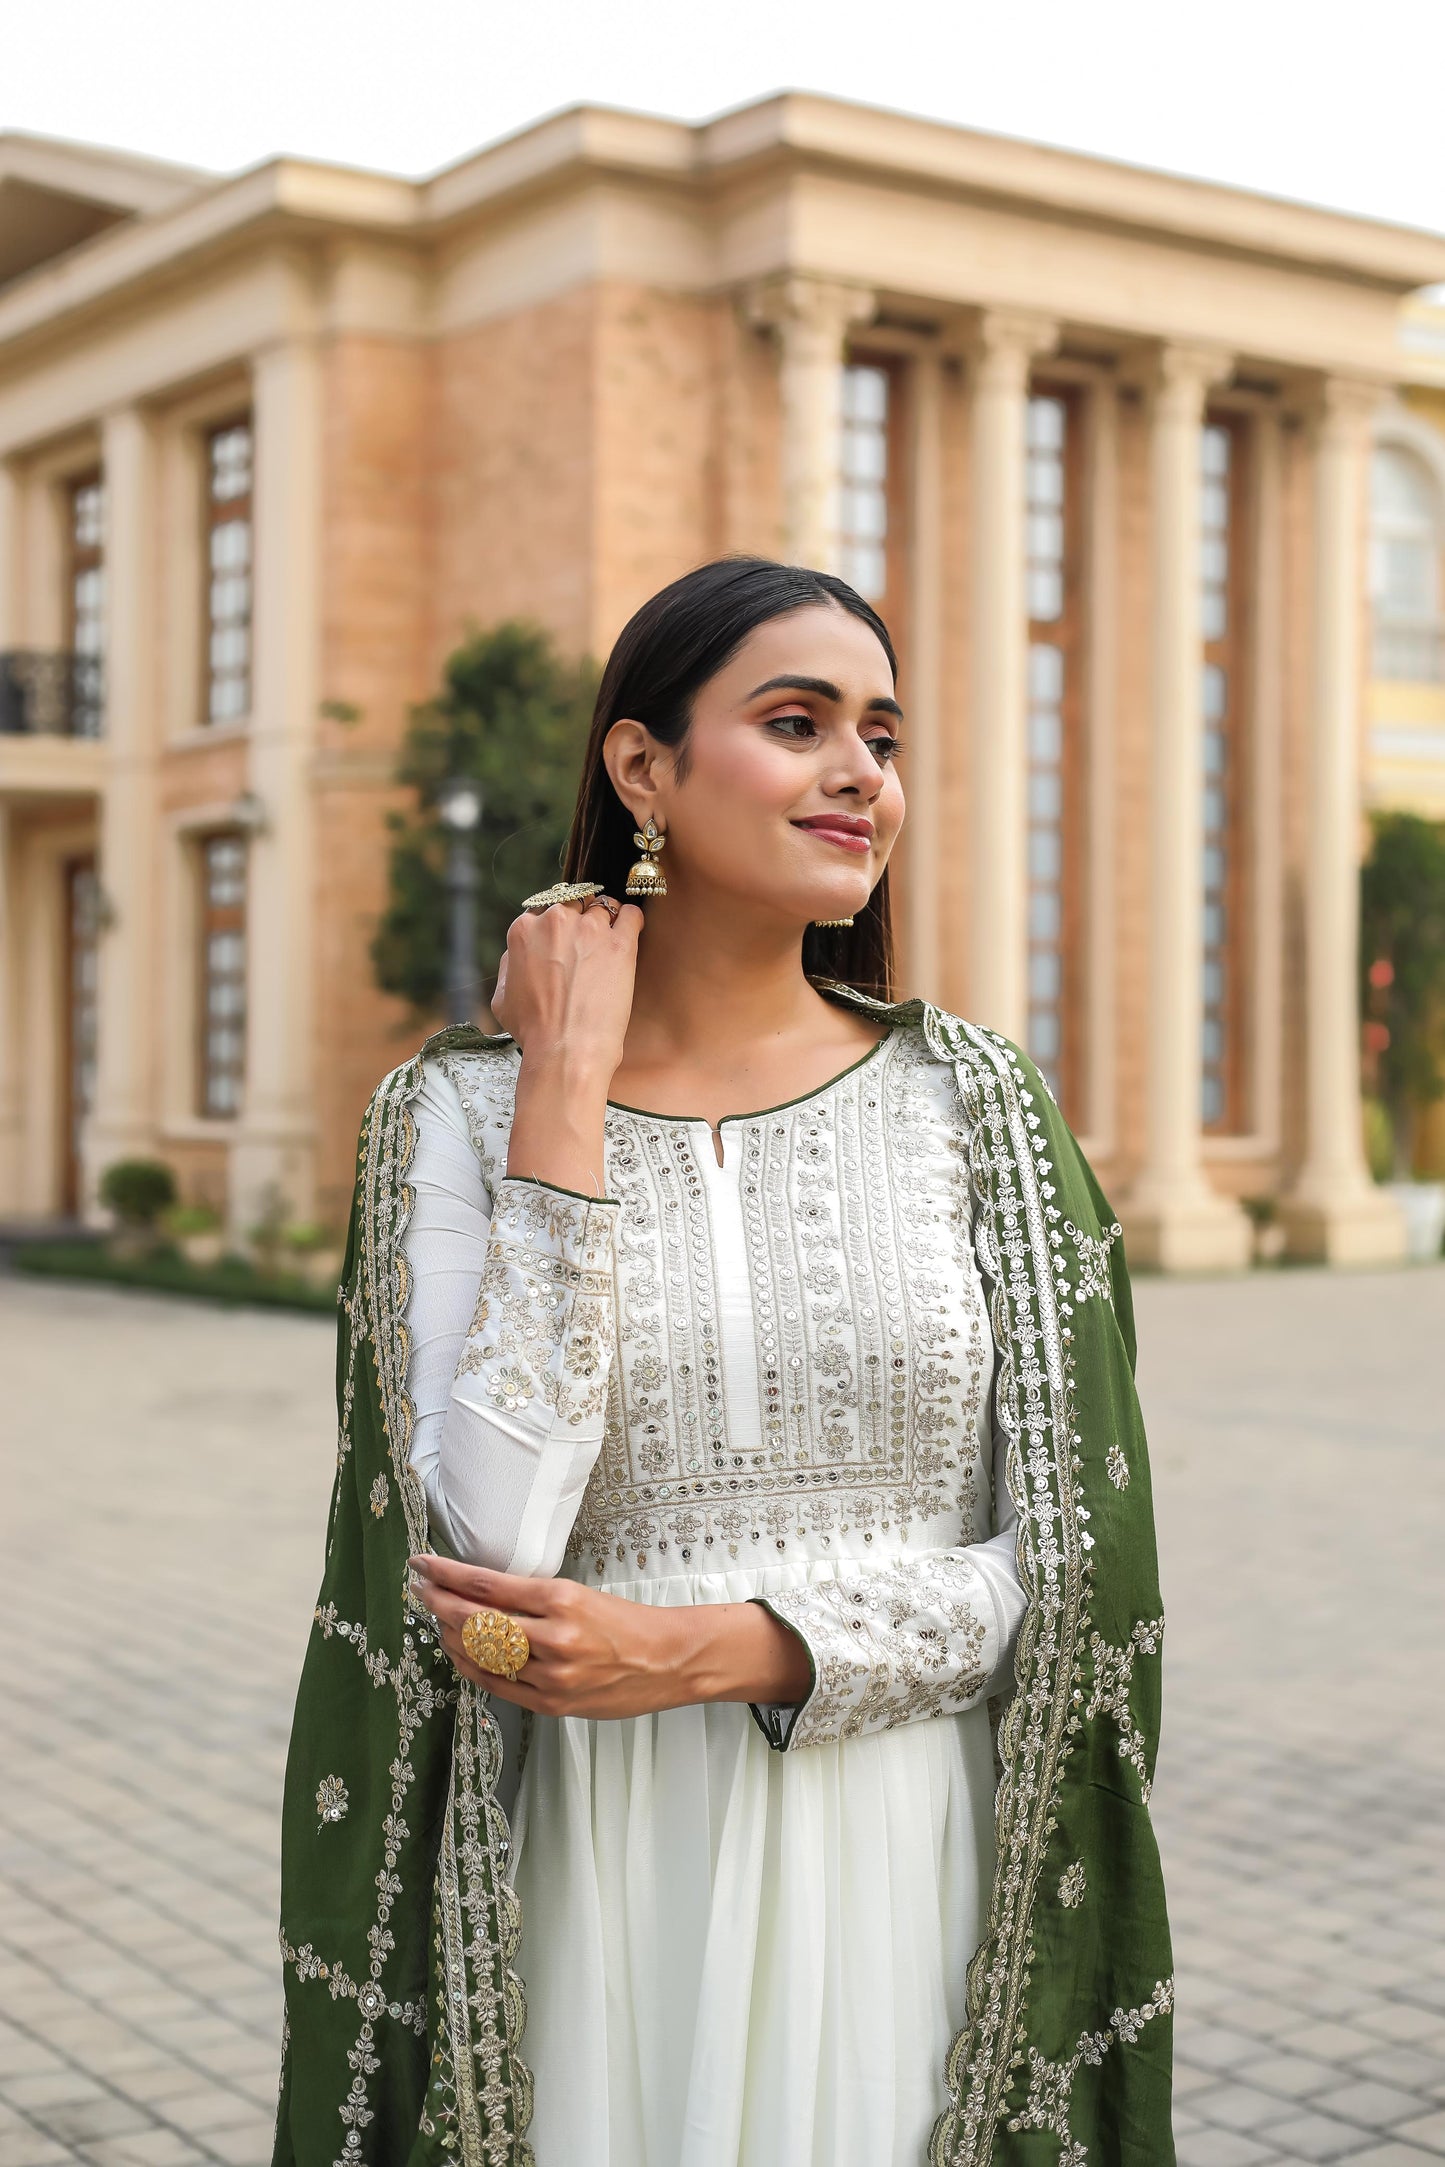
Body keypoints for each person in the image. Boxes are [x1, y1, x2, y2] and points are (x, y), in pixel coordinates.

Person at [272, 558, 1176, 2167]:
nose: (859, 775)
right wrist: (564, 1092)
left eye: (881, 737)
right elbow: (483, 1559)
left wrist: (727, 1648)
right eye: (795, 721)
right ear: (643, 768)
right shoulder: (455, 1118)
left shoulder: (974, 1112)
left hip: (916, 1850)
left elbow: (1076, 1577)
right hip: (602, 1865)